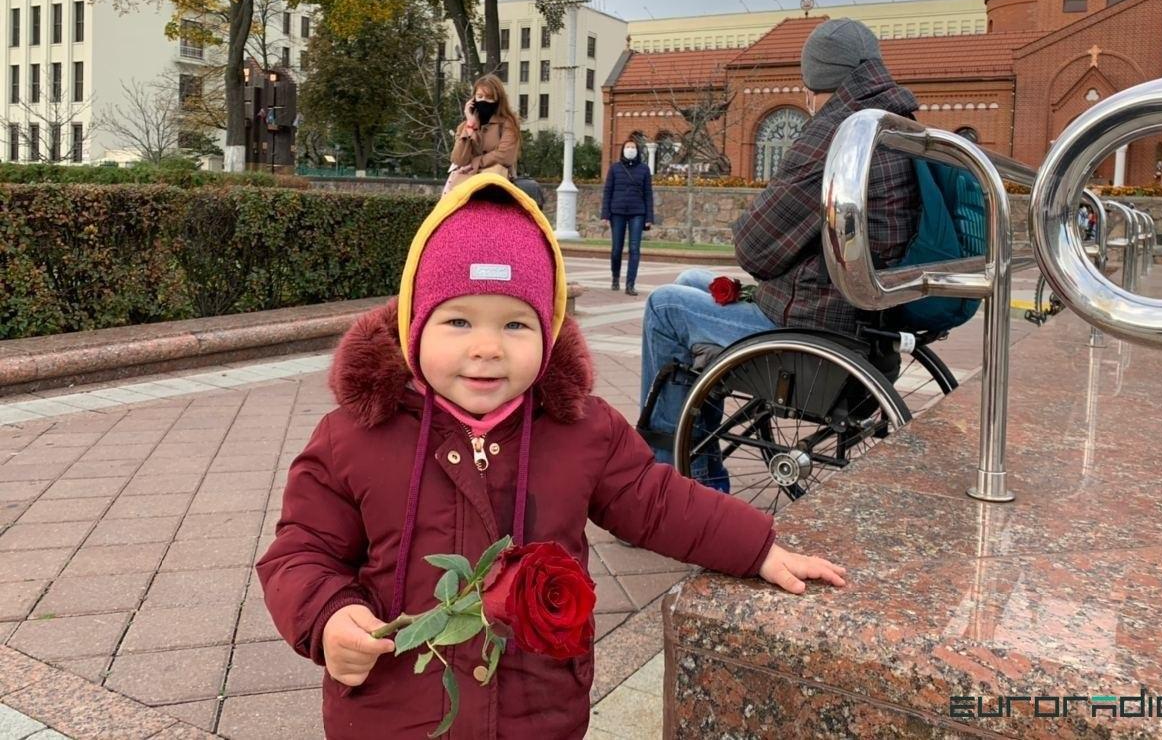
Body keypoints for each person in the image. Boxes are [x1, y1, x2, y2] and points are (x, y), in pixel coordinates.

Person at [256, 174, 846, 739]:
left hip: (537, 710)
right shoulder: (356, 435)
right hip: (394, 713)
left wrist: (755, 547)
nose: (487, 347)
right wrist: (329, 616)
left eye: (515, 324)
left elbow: (658, 501)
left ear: (548, 331)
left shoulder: (580, 430)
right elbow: (302, 550)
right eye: (458, 320)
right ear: (414, 325)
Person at [640, 19, 922, 475]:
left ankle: (668, 471)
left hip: (816, 327)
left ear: (816, 83)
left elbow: (754, 248)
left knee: (665, 307)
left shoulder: (836, 135)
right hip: (860, 318)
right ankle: (697, 453)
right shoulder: (892, 122)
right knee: (692, 280)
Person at [444, 74, 520, 193]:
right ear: (473, 100)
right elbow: (459, 159)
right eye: (479, 96)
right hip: (467, 181)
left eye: (489, 98)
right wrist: (470, 125)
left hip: (495, 181)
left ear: (498, 100)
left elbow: (505, 155)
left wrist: (476, 162)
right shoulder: (465, 126)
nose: (484, 101)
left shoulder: (508, 123)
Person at [601, 137, 655, 296]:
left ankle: (630, 284)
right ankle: (615, 277)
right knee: (616, 249)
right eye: (628, 147)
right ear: (623, 150)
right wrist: (605, 214)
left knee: (634, 249)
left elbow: (648, 194)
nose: (630, 150)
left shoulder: (644, 169)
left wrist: (649, 217)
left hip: (637, 212)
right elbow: (608, 192)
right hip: (617, 212)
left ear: (637, 151)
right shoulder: (614, 168)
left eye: (633, 147)